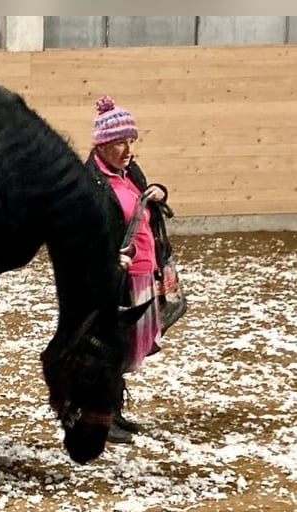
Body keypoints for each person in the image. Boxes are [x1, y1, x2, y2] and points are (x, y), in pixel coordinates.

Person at [84, 95, 171, 444]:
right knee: (110, 350)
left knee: (129, 348)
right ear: (102, 145)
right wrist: (107, 260)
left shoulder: (129, 170)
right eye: (119, 142)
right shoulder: (91, 182)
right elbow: (84, 232)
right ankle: (100, 416)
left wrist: (160, 192)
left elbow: (143, 205)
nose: (127, 148)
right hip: (118, 278)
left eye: (131, 141)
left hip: (143, 270)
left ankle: (113, 410)